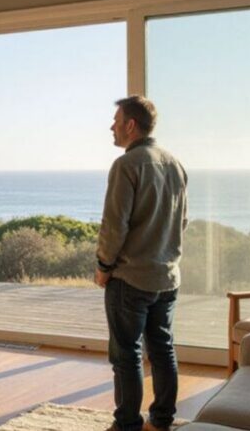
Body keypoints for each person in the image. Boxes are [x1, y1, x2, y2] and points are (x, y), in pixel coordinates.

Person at [95, 95, 188, 431]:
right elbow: (182, 222)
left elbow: (114, 225)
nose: (112, 126)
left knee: (126, 355)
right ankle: (162, 420)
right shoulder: (174, 164)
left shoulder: (126, 165)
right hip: (167, 278)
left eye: (116, 120)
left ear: (131, 125)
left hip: (130, 279)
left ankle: (128, 425)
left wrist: (104, 266)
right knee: (163, 350)